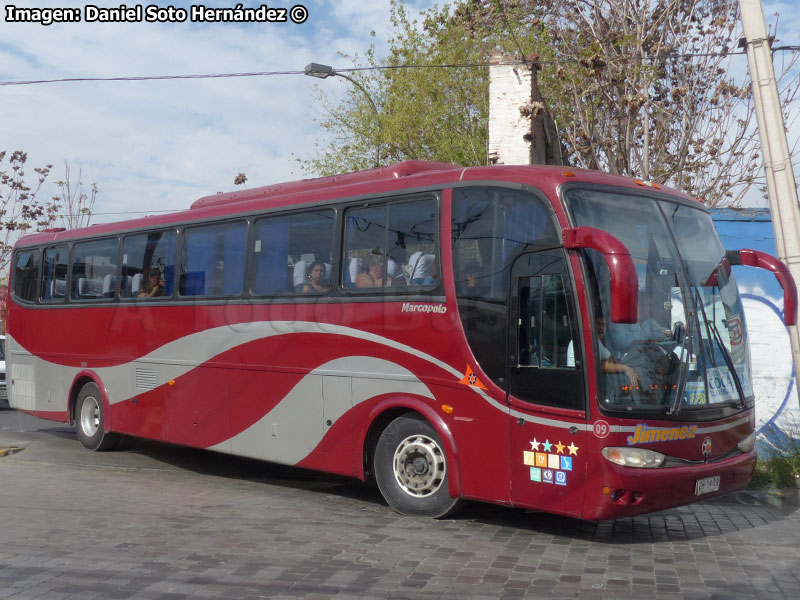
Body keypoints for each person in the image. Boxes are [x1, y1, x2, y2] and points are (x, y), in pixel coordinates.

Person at [597, 317, 640, 388]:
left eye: (603, 325)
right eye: (598, 324)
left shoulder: (598, 342)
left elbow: (610, 358)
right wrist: (625, 368)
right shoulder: (590, 341)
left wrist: (619, 367)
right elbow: (599, 365)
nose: (601, 328)